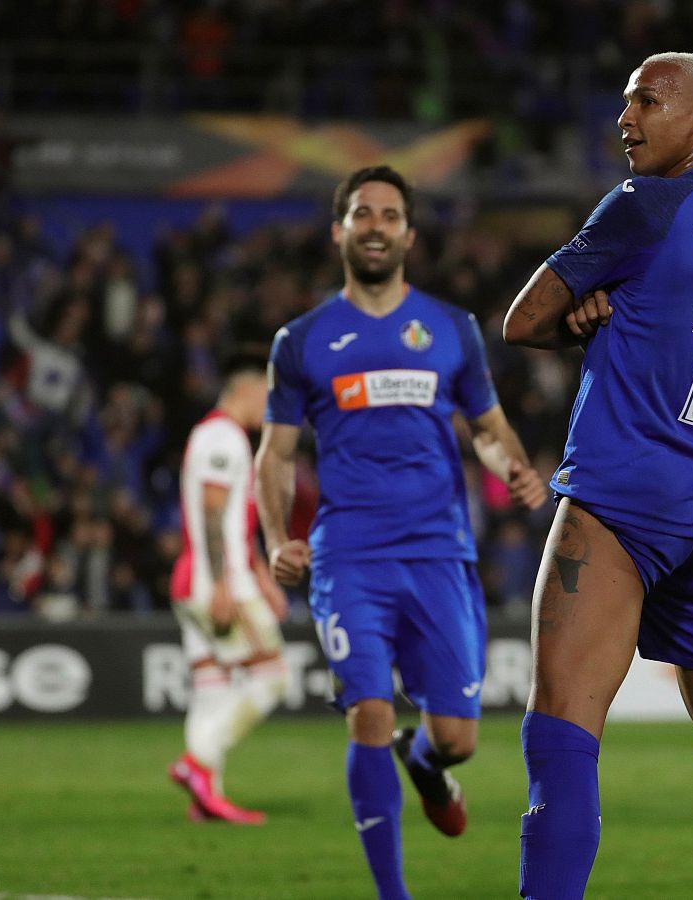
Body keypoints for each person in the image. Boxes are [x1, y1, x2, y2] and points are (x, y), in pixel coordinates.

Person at [502, 52, 693, 900]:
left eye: (647, 100)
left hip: (618, 500)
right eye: (626, 101)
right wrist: (611, 311)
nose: (625, 118)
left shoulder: (644, 202)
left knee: (560, 735)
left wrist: (577, 323)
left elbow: (522, 320)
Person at [255, 165, 546, 900]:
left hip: (438, 552)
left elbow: (485, 425)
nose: (376, 226)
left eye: (389, 215)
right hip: (348, 554)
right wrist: (273, 540)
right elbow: (276, 454)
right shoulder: (302, 340)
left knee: (456, 739)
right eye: (363, 214)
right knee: (369, 711)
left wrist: (510, 464)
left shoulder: (450, 330)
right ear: (340, 231)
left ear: (409, 235)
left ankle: (426, 766)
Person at [167, 358, 290, 825]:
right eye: (267, 396)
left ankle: (206, 797)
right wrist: (224, 584)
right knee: (273, 676)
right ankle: (196, 766)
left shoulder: (215, 436)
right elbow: (214, 512)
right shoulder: (223, 437)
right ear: (247, 390)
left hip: (195, 579)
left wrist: (261, 574)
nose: (270, 407)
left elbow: (236, 520)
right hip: (217, 582)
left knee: (211, 689)